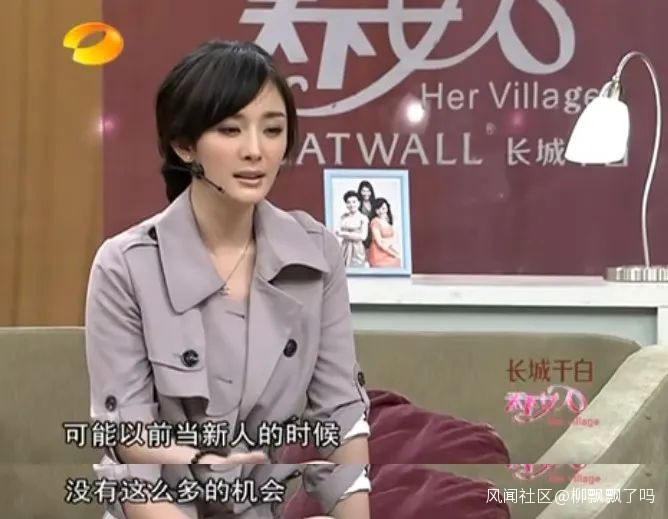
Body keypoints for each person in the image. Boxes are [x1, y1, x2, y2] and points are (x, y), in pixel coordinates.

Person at [84, 40, 370, 519]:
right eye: (230, 129)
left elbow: (339, 417)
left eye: (272, 130)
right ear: (185, 145)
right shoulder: (124, 267)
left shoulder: (317, 254)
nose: (255, 151)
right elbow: (129, 446)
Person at [335, 191, 368, 267]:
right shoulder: (343, 217)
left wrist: (344, 234)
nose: (351, 205)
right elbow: (337, 232)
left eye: (354, 202)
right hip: (344, 247)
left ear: (359, 203)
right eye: (348, 202)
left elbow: (363, 236)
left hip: (357, 249)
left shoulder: (363, 218)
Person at [367, 198, 401, 268]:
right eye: (378, 209)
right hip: (378, 252)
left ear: (387, 208)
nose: (381, 211)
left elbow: (395, 238)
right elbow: (380, 243)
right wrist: (394, 254)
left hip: (389, 248)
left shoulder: (388, 219)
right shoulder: (375, 222)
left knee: (398, 262)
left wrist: (388, 242)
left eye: (383, 208)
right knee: (396, 261)